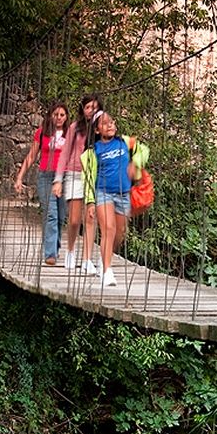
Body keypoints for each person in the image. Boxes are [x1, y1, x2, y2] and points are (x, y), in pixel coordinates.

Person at [14, 101, 69, 266]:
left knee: (60, 216)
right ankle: (50, 253)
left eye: (62, 115)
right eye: (55, 114)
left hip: (65, 177)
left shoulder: (70, 134)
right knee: (50, 214)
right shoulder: (41, 133)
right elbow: (31, 156)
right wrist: (19, 177)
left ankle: (55, 249)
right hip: (46, 177)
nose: (58, 118)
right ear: (50, 116)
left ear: (66, 117)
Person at [52, 93, 100, 274]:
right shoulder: (74, 127)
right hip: (74, 174)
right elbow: (64, 154)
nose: (91, 110)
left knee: (90, 217)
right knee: (73, 220)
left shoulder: (101, 128)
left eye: (94, 107)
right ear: (83, 109)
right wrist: (58, 179)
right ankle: (70, 250)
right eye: (88, 107)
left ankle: (87, 259)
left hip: (92, 176)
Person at [89, 110, 133, 288]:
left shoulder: (124, 142)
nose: (110, 125)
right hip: (103, 192)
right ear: (97, 130)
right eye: (105, 123)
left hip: (123, 193)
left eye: (112, 122)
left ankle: (103, 257)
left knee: (120, 234)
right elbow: (89, 176)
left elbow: (143, 153)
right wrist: (90, 201)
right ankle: (107, 271)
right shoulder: (95, 149)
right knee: (108, 228)